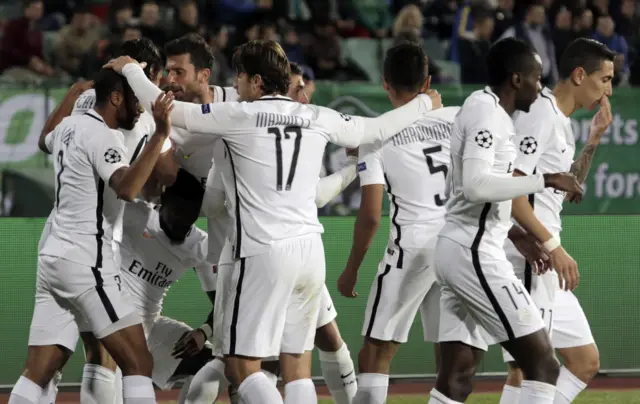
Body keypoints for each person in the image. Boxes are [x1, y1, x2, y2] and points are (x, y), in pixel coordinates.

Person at [106, 39, 439, 403]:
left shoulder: (238, 115)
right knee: (296, 366)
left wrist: (130, 68)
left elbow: (166, 107)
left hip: (261, 252)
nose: (236, 85)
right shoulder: (316, 116)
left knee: (239, 367)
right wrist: (424, 103)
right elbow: (373, 130)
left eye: (241, 77)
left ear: (257, 82)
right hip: (310, 253)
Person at [428, 37, 584, 404]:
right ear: (516, 79)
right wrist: (545, 179)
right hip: (473, 252)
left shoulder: (492, 112)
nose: (541, 86)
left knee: (457, 376)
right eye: (536, 77)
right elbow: (476, 185)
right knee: (543, 364)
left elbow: (482, 192)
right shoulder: (486, 111)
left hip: (463, 246)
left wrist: (515, 233)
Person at [9, 69, 174, 404]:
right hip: (86, 260)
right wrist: (160, 135)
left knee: (37, 371)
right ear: (115, 98)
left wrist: (73, 92)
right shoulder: (102, 136)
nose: (140, 109)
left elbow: (45, 137)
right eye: (135, 101)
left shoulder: (68, 127)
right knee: (138, 361)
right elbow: (127, 189)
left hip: (52, 257)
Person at [336, 42, 457, 404]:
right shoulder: (456, 119)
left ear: (385, 83)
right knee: (448, 352)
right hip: (456, 242)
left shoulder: (376, 136)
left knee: (375, 353)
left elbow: (372, 213)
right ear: (429, 81)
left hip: (413, 250)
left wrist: (351, 269)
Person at [498, 38, 615, 404]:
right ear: (580, 75)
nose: (609, 88)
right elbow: (511, 188)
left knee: (583, 361)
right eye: (606, 79)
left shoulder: (561, 122)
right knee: (532, 367)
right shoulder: (540, 115)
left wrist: (593, 138)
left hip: (546, 259)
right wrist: (553, 246)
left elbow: (566, 190)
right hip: (531, 256)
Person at [118, 168, 218, 398]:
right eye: (178, 214)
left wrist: (204, 332)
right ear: (163, 200)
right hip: (115, 328)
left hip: (151, 328)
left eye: (190, 218)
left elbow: (222, 302)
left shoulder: (199, 245)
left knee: (215, 366)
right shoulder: (134, 215)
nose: (183, 224)